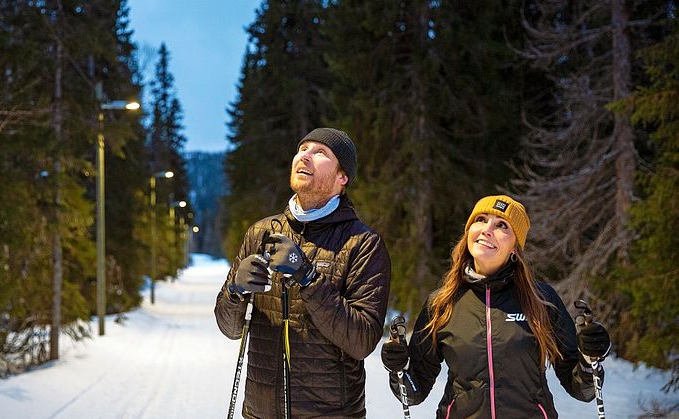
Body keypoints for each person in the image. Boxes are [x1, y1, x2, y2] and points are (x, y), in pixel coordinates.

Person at [380, 195, 611, 418]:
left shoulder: (541, 300)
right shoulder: (442, 303)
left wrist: (590, 358)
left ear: (515, 248)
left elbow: (582, 390)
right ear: (468, 232)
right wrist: (397, 367)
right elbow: (413, 392)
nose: (487, 230)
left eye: (502, 225)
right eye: (480, 220)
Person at [215, 127, 391, 418]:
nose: (305, 156)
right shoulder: (260, 233)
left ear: (342, 177)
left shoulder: (363, 244)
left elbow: (362, 341)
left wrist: (308, 278)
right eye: (303, 149)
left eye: (320, 153)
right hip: (260, 411)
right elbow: (230, 328)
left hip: (330, 413)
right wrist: (235, 290)